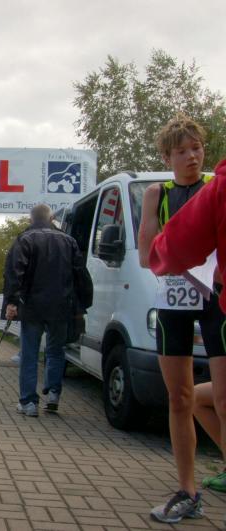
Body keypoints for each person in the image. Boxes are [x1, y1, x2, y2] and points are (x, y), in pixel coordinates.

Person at [138, 114, 226, 524]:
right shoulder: (157, 193)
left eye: (197, 148)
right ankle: (188, 491)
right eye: (181, 151)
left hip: (215, 299)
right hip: (174, 298)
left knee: (223, 397)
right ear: (166, 157)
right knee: (179, 398)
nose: (192, 157)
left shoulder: (216, 189)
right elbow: (146, 256)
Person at [4, 204, 92, 418]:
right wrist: (82, 304)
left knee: (29, 354)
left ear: (31, 219)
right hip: (61, 306)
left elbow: (15, 272)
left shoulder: (25, 239)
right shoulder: (69, 241)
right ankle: (53, 395)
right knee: (56, 351)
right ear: (51, 218)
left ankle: (28, 403)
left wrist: (12, 301)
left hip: (32, 306)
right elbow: (81, 274)